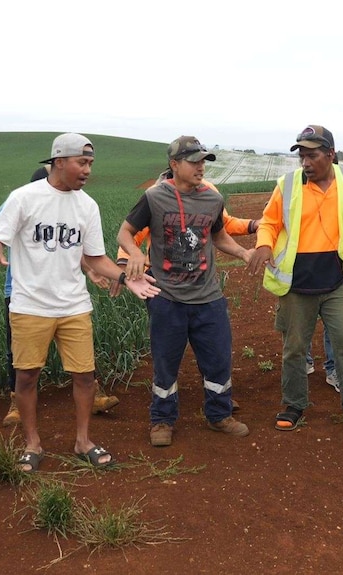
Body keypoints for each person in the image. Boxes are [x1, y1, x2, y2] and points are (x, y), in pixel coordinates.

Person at [0, 133, 160, 471]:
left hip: (74, 305)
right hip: (30, 305)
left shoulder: (87, 206)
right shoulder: (24, 197)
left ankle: (83, 441)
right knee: (27, 377)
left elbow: (95, 258)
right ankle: (33, 444)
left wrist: (125, 276)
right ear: (59, 161)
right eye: (83, 162)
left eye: (91, 163)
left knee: (85, 377)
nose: (88, 170)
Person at [246, 125, 343, 440]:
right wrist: (264, 244)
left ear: (331, 155)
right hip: (297, 284)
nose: (305, 162)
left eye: (312, 155)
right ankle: (294, 404)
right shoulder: (288, 184)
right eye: (302, 156)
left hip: (336, 282)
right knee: (294, 348)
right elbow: (269, 222)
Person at [117, 136, 253, 447]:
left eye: (203, 161)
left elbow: (218, 237)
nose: (201, 167)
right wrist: (134, 254)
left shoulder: (212, 199)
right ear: (174, 165)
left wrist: (244, 253)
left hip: (208, 298)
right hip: (167, 298)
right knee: (166, 362)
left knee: (218, 359)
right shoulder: (154, 197)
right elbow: (125, 232)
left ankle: (219, 415)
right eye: (194, 161)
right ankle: (162, 420)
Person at [0, 164, 120, 426]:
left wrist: (91, 271)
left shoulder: (78, 206)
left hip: (66, 298)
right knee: (18, 357)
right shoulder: (23, 202)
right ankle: (15, 402)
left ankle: (95, 394)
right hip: (23, 294)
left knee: (81, 355)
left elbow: (69, 249)